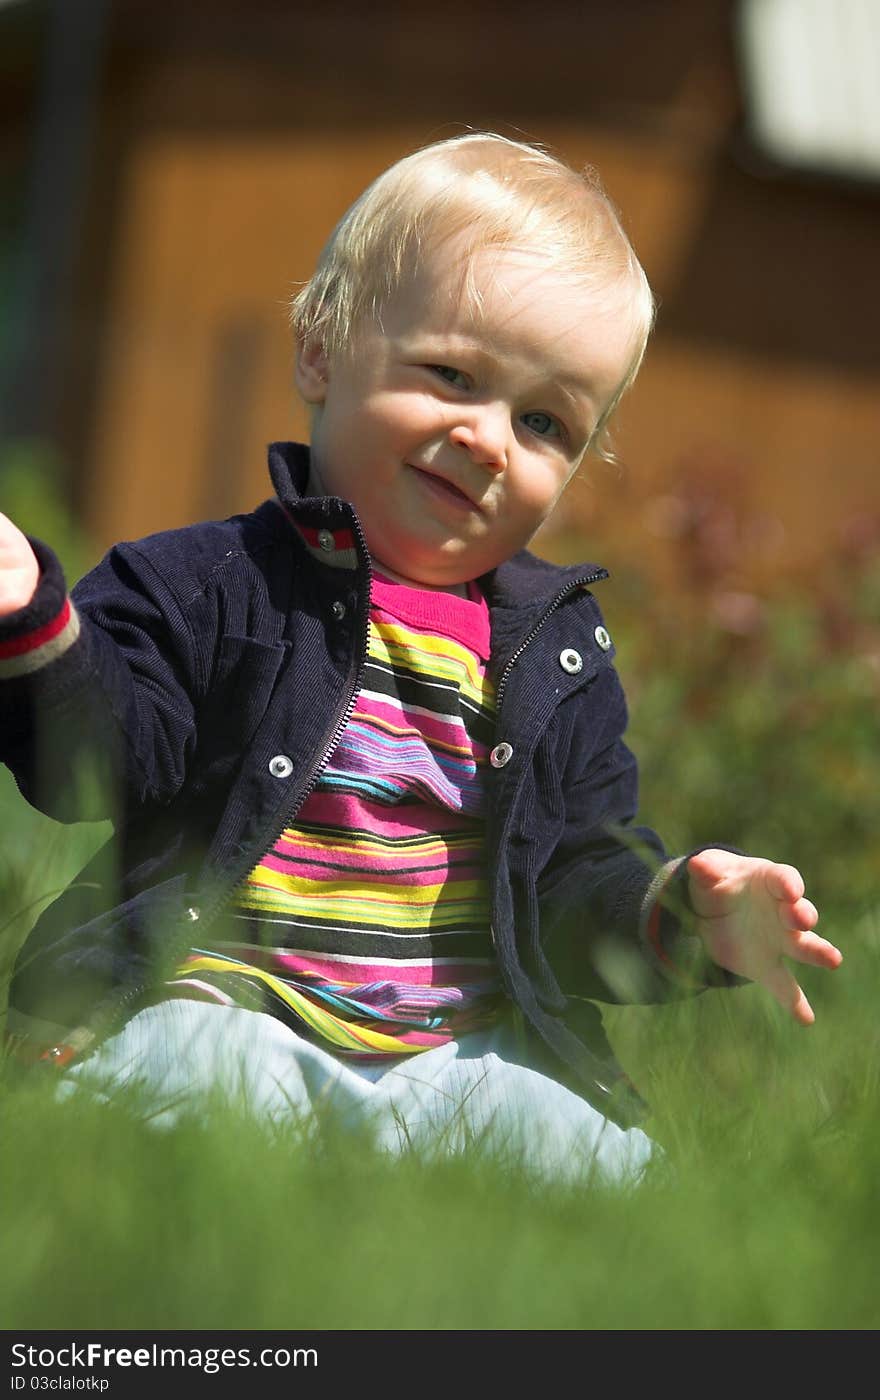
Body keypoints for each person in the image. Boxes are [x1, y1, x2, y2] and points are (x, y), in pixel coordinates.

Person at [0, 132, 841, 1185]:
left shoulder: (553, 655)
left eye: (543, 420)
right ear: (320, 349)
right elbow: (104, 760)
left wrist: (682, 911)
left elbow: (570, 878)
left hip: (455, 1054)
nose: (489, 438)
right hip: (226, 997)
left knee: (602, 1159)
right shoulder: (215, 579)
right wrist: (30, 617)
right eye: (452, 374)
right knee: (189, 1070)